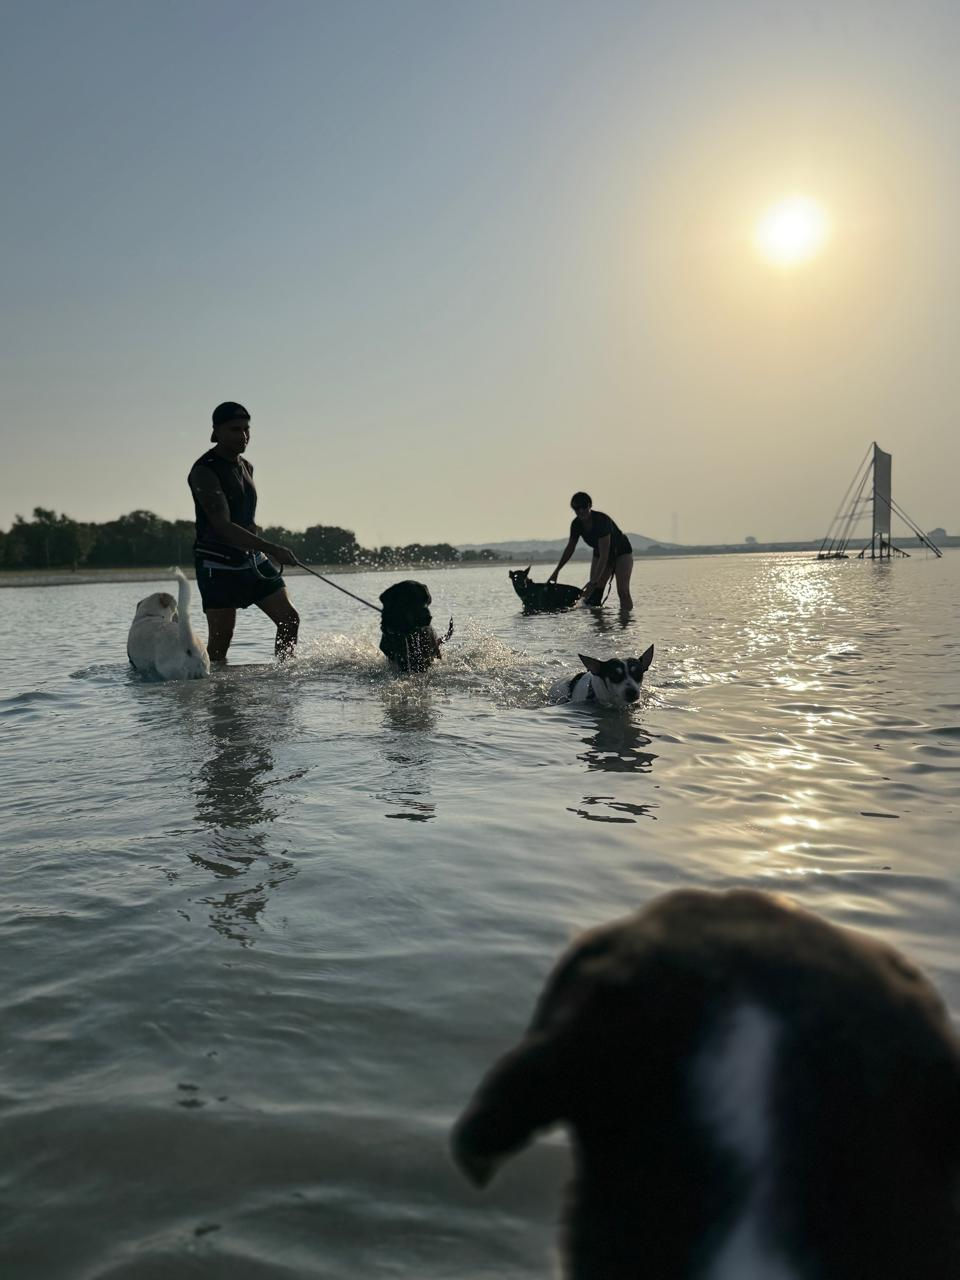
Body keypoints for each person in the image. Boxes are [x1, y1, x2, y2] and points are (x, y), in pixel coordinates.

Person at [188, 402, 300, 661]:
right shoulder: (204, 470)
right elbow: (223, 526)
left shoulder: (246, 466)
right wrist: (273, 549)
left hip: (251, 560)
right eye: (235, 429)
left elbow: (243, 516)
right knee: (220, 641)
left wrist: (258, 545)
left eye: (247, 429)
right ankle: (215, 693)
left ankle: (285, 676)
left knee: (289, 619)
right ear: (216, 431)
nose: (244, 435)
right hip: (217, 565)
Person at [548, 492, 633, 610]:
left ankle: (626, 622)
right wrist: (556, 571)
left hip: (621, 552)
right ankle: (598, 625)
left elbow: (605, 555)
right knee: (593, 591)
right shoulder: (576, 524)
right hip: (600, 552)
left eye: (584, 507)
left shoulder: (601, 521)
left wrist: (593, 580)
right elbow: (570, 548)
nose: (581, 511)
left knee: (622, 591)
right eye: (577, 508)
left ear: (590, 506)